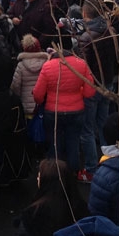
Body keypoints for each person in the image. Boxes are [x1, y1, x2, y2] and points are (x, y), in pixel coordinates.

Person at [6, 159, 89, 236]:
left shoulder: (32, 216)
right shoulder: (81, 209)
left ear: (46, 182)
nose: (37, 179)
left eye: (39, 176)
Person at [32, 36, 96, 174]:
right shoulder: (81, 64)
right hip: (76, 111)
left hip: (53, 112)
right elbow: (90, 91)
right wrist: (78, 93)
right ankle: (72, 176)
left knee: (55, 146)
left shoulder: (48, 66)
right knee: (73, 144)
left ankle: (56, 176)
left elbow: (37, 94)